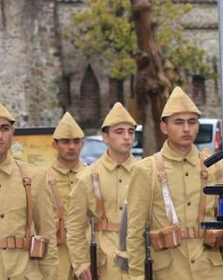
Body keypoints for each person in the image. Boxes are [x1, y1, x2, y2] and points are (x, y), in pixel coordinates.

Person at [126, 87, 223, 280]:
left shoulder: (214, 167)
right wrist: (137, 276)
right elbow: (135, 232)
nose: (186, 129)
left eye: (192, 122)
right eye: (178, 122)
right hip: (169, 271)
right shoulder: (146, 170)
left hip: (211, 270)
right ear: (164, 127)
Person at [66, 102, 137, 280]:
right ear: (105, 137)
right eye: (119, 132)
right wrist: (81, 265)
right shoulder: (87, 177)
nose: (127, 137)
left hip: (140, 259)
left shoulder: (145, 173)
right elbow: (75, 228)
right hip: (104, 264)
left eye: (131, 131)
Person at [0, 101, 58, 280]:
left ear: (13, 133)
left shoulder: (34, 177)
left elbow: (47, 234)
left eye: (4, 128)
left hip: (23, 273)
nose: (0, 135)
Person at [48, 112, 87, 280]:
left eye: (76, 141)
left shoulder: (92, 176)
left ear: (82, 144)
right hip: (57, 256)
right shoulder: (41, 178)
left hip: (87, 256)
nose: (71, 147)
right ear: (54, 145)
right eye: (65, 142)